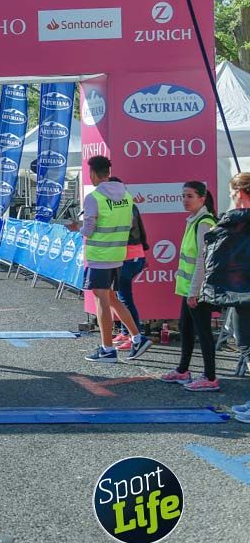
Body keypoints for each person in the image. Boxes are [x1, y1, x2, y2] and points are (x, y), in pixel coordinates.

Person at [72, 156, 152, 363]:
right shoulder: (126, 196)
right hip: (118, 255)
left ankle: (107, 348)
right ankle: (137, 336)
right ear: (108, 171)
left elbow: (88, 231)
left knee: (103, 301)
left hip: (100, 256)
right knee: (112, 298)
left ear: (93, 174)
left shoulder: (94, 198)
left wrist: (76, 227)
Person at [161, 181, 220, 390]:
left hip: (198, 289)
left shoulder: (204, 222)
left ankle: (210, 377)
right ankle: (183, 370)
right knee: (186, 329)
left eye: (190, 196)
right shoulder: (194, 220)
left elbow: (202, 261)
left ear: (202, 199)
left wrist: (194, 291)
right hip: (189, 288)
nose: (185, 200)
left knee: (203, 332)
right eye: (183, 195)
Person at [201, 173, 250, 418]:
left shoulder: (233, 222)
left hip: (243, 292)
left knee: (247, 345)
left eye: (232, 193)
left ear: (239, 194)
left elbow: (213, 253)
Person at [107, 177, 149, 351]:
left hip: (129, 257)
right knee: (120, 296)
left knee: (124, 298)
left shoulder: (126, 206)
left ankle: (135, 335)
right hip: (128, 256)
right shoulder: (126, 204)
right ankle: (127, 332)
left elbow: (127, 229)